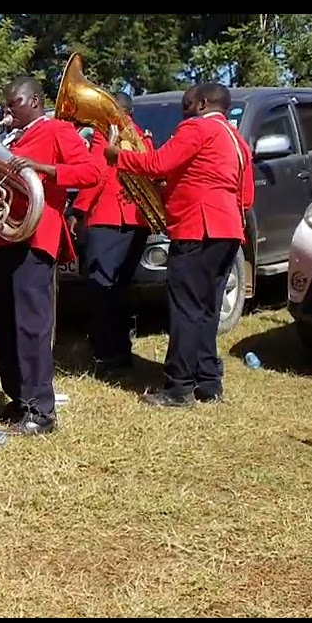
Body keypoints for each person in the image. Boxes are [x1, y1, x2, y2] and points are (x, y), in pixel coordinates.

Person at [106, 82, 254, 407]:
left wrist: (119, 157)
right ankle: (208, 382)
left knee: (186, 308)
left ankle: (179, 387)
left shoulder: (197, 128)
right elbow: (247, 196)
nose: (183, 110)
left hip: (197, 227)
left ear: (202, 104)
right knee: (207, 308)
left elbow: (158, 163)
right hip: (227, 230)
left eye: (187, 103)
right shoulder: (237, 139)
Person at [0, 76, 103, 434]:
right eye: (6, 104)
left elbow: (92, 172)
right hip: (3, 237)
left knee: (31, 325)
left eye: (15, 103)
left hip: (35, 236)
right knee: (6, 325)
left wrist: (45, 169)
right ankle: (18, 397)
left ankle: (41, 410)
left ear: (36, 101)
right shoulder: (8, 138)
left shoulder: (56, 129)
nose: (8, 110)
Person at [74, 92, 155, 371]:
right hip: (137, 222)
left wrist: (79, 210)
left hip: (108, 218)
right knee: (120, 287)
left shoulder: (106, 134)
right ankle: (120, 349)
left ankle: (107, 351)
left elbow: (96, 175)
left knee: (102, 286)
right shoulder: (144, 137)